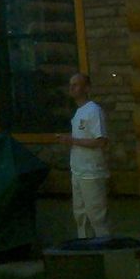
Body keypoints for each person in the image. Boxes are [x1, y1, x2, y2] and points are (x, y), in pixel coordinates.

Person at [57, 71, 109, 238]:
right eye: (70, 85)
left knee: (97, 217)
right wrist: (69, 140)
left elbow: (101, 141)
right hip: (78, 171)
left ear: (86, 88)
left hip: (92, 173)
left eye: (76, 85)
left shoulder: (93, 111)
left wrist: (72, 140)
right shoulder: (78, 112)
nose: (71, 88)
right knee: (81, 216)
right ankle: (85, 247)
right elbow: (80, 139)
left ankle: (104, 248)